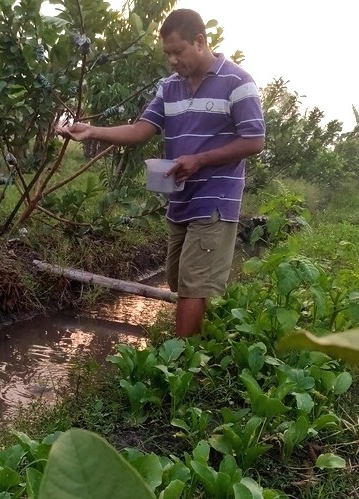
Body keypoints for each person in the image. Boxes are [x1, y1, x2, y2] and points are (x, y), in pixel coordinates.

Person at [57, 8, 265, 337]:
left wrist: (201, 160)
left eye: (177, 51)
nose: (171, 60)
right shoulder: (169, 87)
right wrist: (92, 131)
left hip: (215, 200)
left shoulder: (238, 82)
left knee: (194, 284)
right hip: (180, 199)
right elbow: (141, 130)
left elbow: (254, 140)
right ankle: (192, 347)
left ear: (200, 41)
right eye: (167, 53)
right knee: (180, 278)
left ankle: (179, 366)